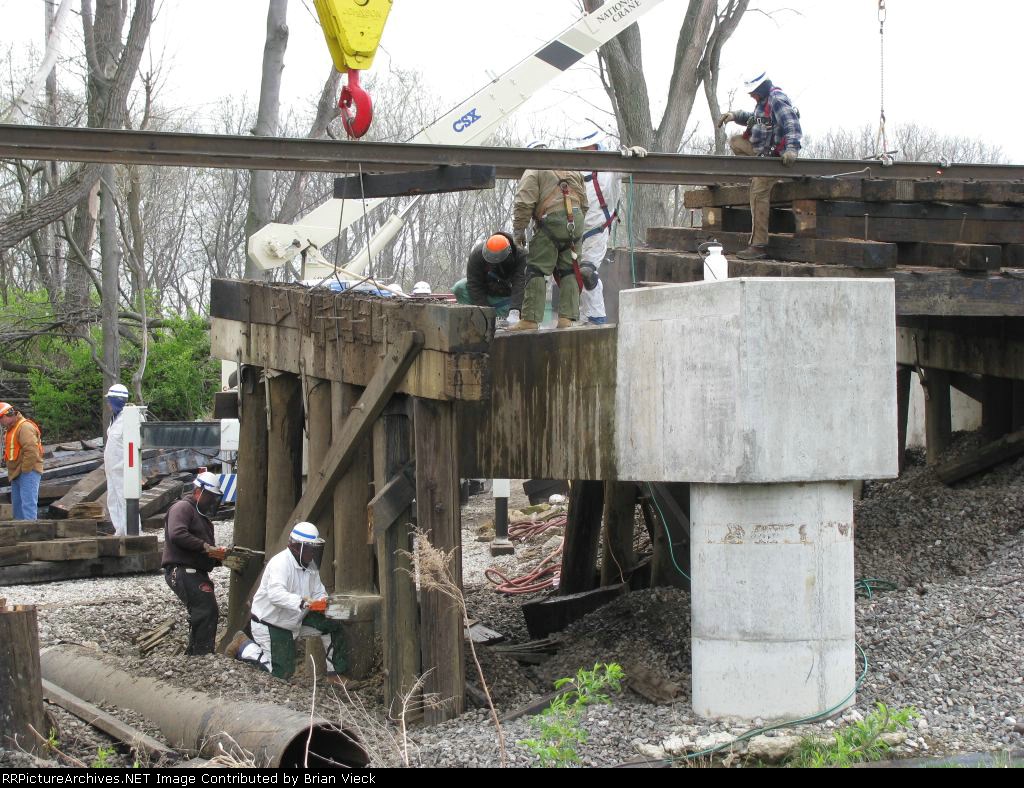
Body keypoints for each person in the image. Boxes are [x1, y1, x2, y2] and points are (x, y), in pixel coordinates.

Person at [249, 523, 353, 687]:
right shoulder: (280, 563)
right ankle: (245, 648)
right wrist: (303, 602)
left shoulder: (310, 566)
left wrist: (326, 604)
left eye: (315, 549)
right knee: (281, 675)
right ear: (297, 546)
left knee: (333, 624)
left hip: (296, 618)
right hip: (271, 623)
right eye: (310, 548)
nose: (313, 553)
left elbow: (319, 592)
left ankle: (335, 674)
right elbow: (275, 595)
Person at [718, 70, 802, 260]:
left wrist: (791, 150)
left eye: (752, 92)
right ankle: (756, 174)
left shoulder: (777, 100)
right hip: (761, 152)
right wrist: (734, 115)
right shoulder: (762, 103)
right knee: (736, 141)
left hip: (775, 159)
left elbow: (792, 125)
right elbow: (754, 119)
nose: (751, 95)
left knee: (758, 192)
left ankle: (759, 245)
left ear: (761, 88)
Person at [571, 126, 648, 324]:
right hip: (573, 231)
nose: (585, 154)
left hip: (597, 230)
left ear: (597, 147)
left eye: (588, 149)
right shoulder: (573, 170)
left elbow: (628, 170)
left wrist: (633, 155)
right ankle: (582, 314)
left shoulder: (609, 168)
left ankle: (597, 317)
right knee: (570, 275)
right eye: (581, 150)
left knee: (587, 272)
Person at [511, 142, 589, 330]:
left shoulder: (534, 167)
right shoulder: (570, 166)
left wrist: (519, 230)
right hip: (576, 220)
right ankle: (567, 319)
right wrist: (574, 225)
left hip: (551, 221)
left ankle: (530, 319)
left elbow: (524, 201)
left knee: (536, 269)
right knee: (570, 269)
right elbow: (584, 202)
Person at [161, 471, 226, 656]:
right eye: (211, 497)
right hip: (181, 570)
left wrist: (219, 557)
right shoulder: (183, 507)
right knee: (205, 609)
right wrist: (206, 547)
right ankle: (200, 656)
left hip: (194, 571)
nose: (212, 502)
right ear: (199, 492)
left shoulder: (200, 516)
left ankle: (198, 653)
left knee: (207, 610)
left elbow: (199, 549)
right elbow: (177, 534)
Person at [452, 231, 527, 326]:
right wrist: (486, 313)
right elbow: (474, 284)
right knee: (460, 287)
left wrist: (515, 310)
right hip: (488, 295)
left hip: (509, 298)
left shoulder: (521, 255)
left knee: (531, 288)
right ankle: (472, 318)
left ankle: (511, 315)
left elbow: (520, 283)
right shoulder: (477, 255)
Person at [0, 402, 43, 521]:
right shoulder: (12, 429)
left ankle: (30, 534)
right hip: (17, 473)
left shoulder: (24, 427)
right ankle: (19, 533)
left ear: (5, 416)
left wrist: (25, 470)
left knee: (28, 505)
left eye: (0, 419)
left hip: (27, 472)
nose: (0, 423)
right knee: (18, 508)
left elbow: (31, 451)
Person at [103, 384, 131, 536]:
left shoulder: (130, 418)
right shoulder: (115, 419)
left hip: (124, 468)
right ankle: (120, 531)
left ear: (116, 401)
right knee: (113, 500)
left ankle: (132, 531)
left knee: (126, 500)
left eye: (109, 400)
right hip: (113, 469)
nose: (107, 404)